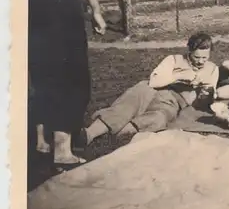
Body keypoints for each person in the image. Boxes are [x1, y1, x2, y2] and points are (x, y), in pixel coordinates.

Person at [28, 0, 107, 170]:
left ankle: (41, 142)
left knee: (40, 68)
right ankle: (62, 149)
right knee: (71, 73)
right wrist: (95, 9)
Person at [77, 32, 219, 147]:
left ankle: (118, 133)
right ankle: (89, 134)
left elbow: (209, 96)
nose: (200, 61)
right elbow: (154, 81)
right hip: (150, 89)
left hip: (172, 100)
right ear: (189, 51)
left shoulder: (212, 69)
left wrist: (204, 92)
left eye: (204, 58)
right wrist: (179, 77)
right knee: (127, 105)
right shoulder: (174, 59)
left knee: (158, 118)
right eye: (196, 57)